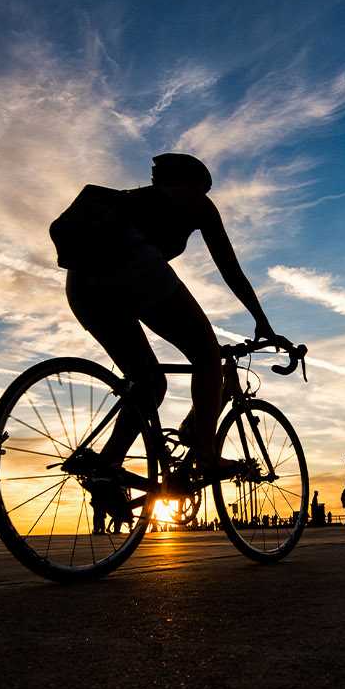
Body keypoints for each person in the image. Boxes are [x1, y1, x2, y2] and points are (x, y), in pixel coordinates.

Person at [51, 153, 281, 522]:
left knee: (149, 382)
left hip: (82, 283)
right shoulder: (196, 202)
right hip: (133, 265)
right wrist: (261, 320)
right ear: (194, 183)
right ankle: (205, 453)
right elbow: (230, 268)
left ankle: (107, 468)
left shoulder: (127, 200)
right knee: (206, 355)